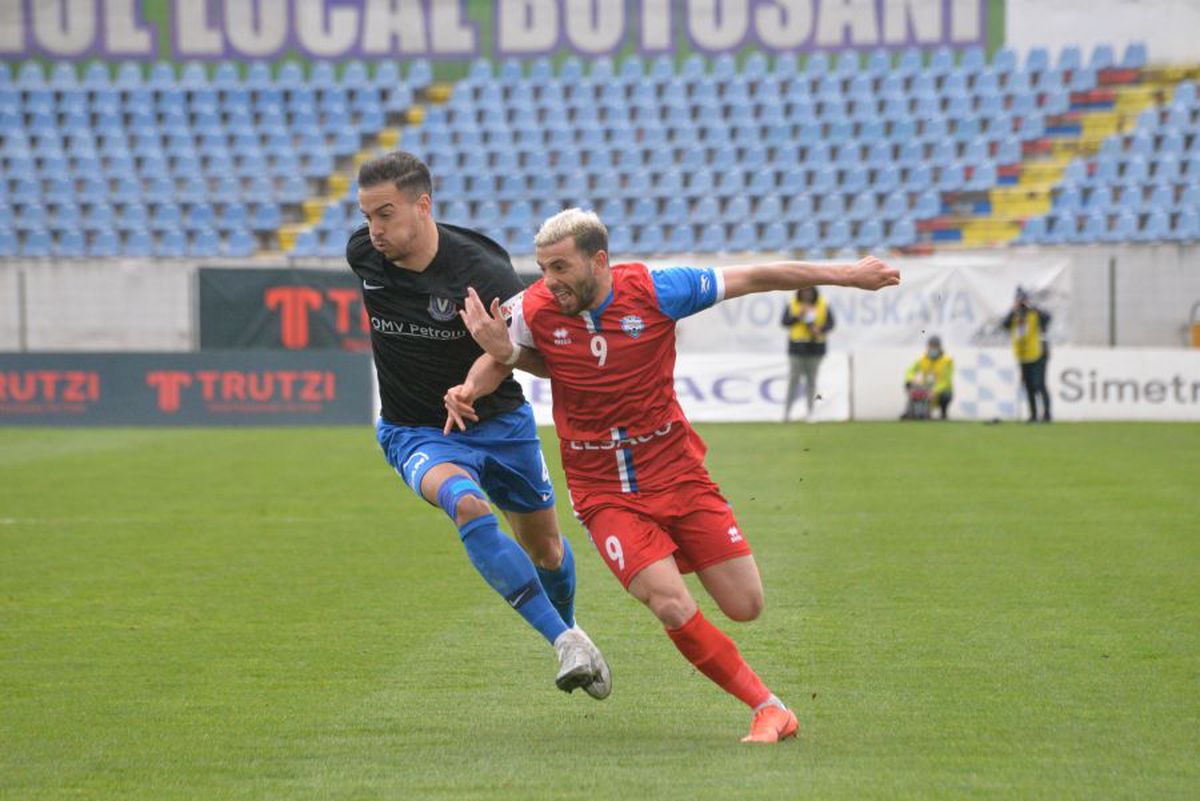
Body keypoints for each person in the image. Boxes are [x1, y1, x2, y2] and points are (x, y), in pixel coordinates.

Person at [445, 209, 900, 742]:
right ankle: (769, 708)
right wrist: (470, 388)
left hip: (677, 473)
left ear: (599, 260)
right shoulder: (536, 305)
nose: (549, 281)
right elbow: (498, 354)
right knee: (669, 602)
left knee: (745, 604)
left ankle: (669, 552)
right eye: (544, 268)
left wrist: (848, 274)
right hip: (603, 491)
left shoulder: (657, 290)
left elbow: (757, 276)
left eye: (560, 267)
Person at [347, 153, 610, 700]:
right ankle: (563, 640)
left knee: (548, 552)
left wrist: (475, 381)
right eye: (367, 216)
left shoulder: (483, 272)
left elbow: (531, 355)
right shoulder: (364, 257)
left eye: (386, 214)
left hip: (500, 423)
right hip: (416, 431)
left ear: (423, 206)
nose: (374, 230)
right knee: (467, 504)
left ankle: (571, 631)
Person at [780, 286, 835, 422]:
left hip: (815, 346)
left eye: (809, 291)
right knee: (794, 380)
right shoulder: (792, 304)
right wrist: (798, 316)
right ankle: (786, 413)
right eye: (804, 291)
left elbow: (831, 324)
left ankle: (811, 412)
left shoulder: (823, 304)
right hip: (797, 346)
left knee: (812, 381)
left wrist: (819, 329)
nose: (806, 294)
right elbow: (784, 322)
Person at [1001, 287, 1052, 423]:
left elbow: (1047, 318)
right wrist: (1013, 310)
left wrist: (1032, 307)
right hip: (1023, 355)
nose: (1021, 304)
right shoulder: (1015, 315)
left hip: (1039, 353)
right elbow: (1004, 325)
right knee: (1028, 386)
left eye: (1023, 300)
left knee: (1039, 384)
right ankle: (1033, 415)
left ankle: (1046, 414)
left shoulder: (1036, 313)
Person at [902, 335, 954, 420]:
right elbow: (910, 370)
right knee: (910, 386)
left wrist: (934, 391)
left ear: (940, 347)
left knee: (946, 395)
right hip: (926, 388)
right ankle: (910, 411)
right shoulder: (923, 359)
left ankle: (943, 413)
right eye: (931, 346)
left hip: (939, 390)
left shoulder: (947, 361)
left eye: (935, 346)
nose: (933, 349)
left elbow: (946, 382)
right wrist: (911, 379)